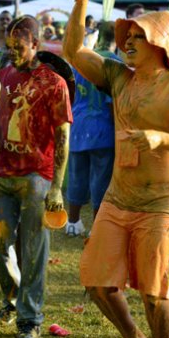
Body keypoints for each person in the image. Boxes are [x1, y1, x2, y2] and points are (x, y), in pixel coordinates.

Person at [63, 0, 169, 338]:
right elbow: (73, 50)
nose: (128, 42)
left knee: (154, 293)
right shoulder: (118, 77)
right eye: (126, 36)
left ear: (159, 44)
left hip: (163, 201)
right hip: (118, 198)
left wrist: (162, 138)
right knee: (97, 283)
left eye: (137, 36)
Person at [0, 15, 72, 338]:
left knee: (34, 250)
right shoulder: (4, 74)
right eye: (9, 46)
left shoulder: (54, 83)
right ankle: (14, 297)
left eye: (19, 47)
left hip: (38, 177)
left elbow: (63, 137)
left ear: (36, 44)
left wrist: (58, 188)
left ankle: (29, 319)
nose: (13, 53)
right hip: (3, 172)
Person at [65, 21, 117, 236]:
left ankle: (72, 222)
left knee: (77, 176)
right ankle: (97, 227)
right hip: (103, 129)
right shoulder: (115, 63)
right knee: (101, 179)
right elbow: (112, 102)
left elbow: (70, 93)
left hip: (78, 127)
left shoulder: (82, 60)